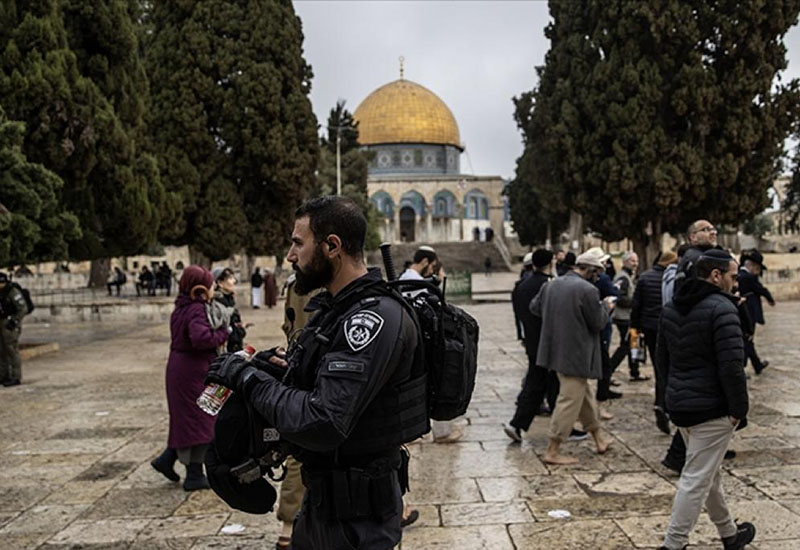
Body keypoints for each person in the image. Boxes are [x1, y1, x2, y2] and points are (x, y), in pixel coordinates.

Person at [205, 196, 424, 549]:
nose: (291, 256)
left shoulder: (370, 319)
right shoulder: (333, 311)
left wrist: (248, 379)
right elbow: (316, 388)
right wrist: (270, 369)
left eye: (298, 243)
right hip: (321, 507)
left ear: (332, 246)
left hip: (358, 523)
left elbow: (323, 420)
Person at [656, 250, 754, 550]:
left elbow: (662, 361)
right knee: (697, 478)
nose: (735, 282)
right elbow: (731, 366)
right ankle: (673, 544)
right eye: (733, 276)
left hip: (681, 405)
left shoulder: (672, 307)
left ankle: (729, 534)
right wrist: (739, 409)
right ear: (715, 276)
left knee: (707, 473)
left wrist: (666, 399)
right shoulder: (722, 309)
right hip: (711, 408)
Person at [531, 252, 614, 465]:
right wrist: (606, 307)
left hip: (555, 350)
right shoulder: (588, 290)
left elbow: (535, 308)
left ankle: (599, 439)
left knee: (583, 395)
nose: (597, 278)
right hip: (576, 354)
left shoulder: (551, 285)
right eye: (597, 273)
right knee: (569, 400)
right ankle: (553, 449)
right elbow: (597, 322)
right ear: (590, 270)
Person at [151, 265, 229, 491]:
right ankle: (194, 473)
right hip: (191, 371)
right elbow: (200, 338)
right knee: (202, 420)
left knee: (188, 421)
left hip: (181, 368)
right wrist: (225, 333)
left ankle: (167, 459)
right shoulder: (196, 309)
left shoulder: (181, 307)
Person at [399, 246, 462, 444]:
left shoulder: (403, 278)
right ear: (425, 262)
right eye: (432, 266)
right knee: (436, 381)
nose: (433, 270)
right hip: (423, 339)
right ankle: (441, 431)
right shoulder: (419, 283)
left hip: (410, 339)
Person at [505, 249, 560, 441]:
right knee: (540, 383)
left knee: (549, 383)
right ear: (551, 263)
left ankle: (561, 427)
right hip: (548, 342)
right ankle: (517, 423)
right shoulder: (549, 286)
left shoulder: (521, 286)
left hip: (531, 340)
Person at [631, 250, 677, 434]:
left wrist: (634, 327)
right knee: (671, 367)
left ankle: (661, 404)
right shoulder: (672, 278)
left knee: (659, 367)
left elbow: (637, 305)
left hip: (649, 327)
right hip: (668, 327)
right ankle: (666, 404)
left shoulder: (644, 277)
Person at [610, 252, 648, 381]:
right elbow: (619, 297)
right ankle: (608, 370)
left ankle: (635, 371)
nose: (635, 264)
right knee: (626, 346)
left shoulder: (628, 276)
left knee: (633, 344)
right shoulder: (623, 278)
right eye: (632, 261)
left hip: (628, 317)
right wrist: (636, 301)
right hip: (624, 317)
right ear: (625, 262)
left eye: (636, 261)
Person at [737, 250, 774, 374]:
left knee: (748, 340)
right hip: (748, 311)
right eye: (757, 268)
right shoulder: (748, 277)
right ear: (751, 265)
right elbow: (760, 289)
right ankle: (742, 367)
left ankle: (757, 364)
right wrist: (769, 298)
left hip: (743, 310)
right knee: (748, 338)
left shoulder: (738, 274)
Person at [0, 272, 29, 386]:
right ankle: (3, 375)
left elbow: (23, 308)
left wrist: (14, 322)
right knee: (1, 351)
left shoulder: (12, 291)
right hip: (1, 323)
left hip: (9, 324)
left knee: (11, 350)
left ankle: (15, 377)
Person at [212, 267, 246, 354]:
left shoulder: (230, 300)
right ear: (220, 283)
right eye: (230, 278)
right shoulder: (216, 305)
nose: (234, 281)